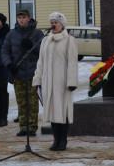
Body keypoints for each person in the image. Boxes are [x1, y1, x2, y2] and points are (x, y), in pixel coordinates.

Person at [33, 12, 78, 151]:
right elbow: (41, 61)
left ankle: (63, 140)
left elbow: (72, 62)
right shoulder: (45, 40)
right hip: (48, 82)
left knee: (62, 111)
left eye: (56, 22)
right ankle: (55, 140)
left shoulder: (69, 40)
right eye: (51, 21)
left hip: (62, 83)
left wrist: (71, 81)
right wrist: (38, 79)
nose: (53, 24)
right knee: (52, 111)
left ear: (62, 24)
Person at [2, 9, 44, 136]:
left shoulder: (37, 33)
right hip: (18, 73)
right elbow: (4, 51)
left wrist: (32, 45)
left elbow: (43, 51)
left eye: (23, 17)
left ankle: (32, 127)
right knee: (21, 102)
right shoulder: (11, 34)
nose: (21, 20)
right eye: (19, 17)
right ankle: (23, 126)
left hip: (32, 73)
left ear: (29, 18)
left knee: (32, 102)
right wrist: (9, 64)